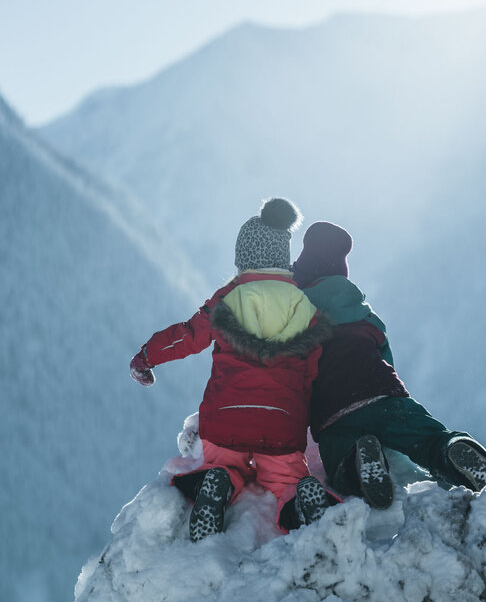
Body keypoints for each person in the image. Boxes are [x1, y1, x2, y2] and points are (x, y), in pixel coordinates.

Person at [130, 199, 337, 542]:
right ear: (282, 258)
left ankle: (220, 479)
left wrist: (146, 356)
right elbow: (311, 374)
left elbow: (189, 335)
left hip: (226, 417)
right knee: (285, 477)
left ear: (244, 257)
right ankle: (299, 495)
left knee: (225, 462)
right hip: (281, 421)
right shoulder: (304, 305)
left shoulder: (230, 296)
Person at [291, 221, 486, 509]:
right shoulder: (362, 312)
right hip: (386, 393)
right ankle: (451, 450)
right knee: (427, 438)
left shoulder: (295, 313)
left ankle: (358, 462)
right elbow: (385, 356)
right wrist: (388, 397)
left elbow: (293, 372)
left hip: (335, 410)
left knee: (339, 452)